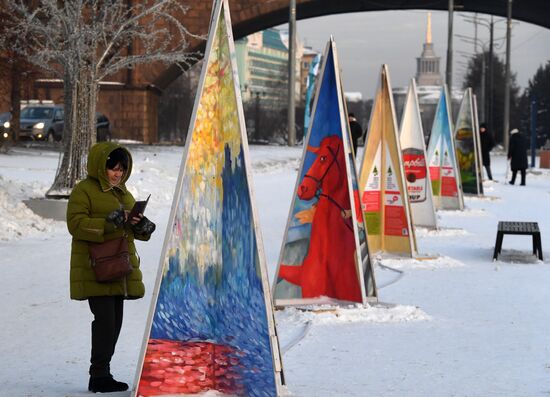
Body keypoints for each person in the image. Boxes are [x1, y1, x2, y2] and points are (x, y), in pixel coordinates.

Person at [67, 142, 156, 393]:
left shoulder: (123, 193)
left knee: (114, 323)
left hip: (119, 268)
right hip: (95, 267)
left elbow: (128, 229)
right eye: (112, 168)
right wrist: (109, 222)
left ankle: (103, 372)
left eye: (121, 169)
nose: (117, 173)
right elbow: (76, 224)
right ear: (100, 167)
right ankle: (98, 376)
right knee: (105, 321)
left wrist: (141, 225)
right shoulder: (83, 190)